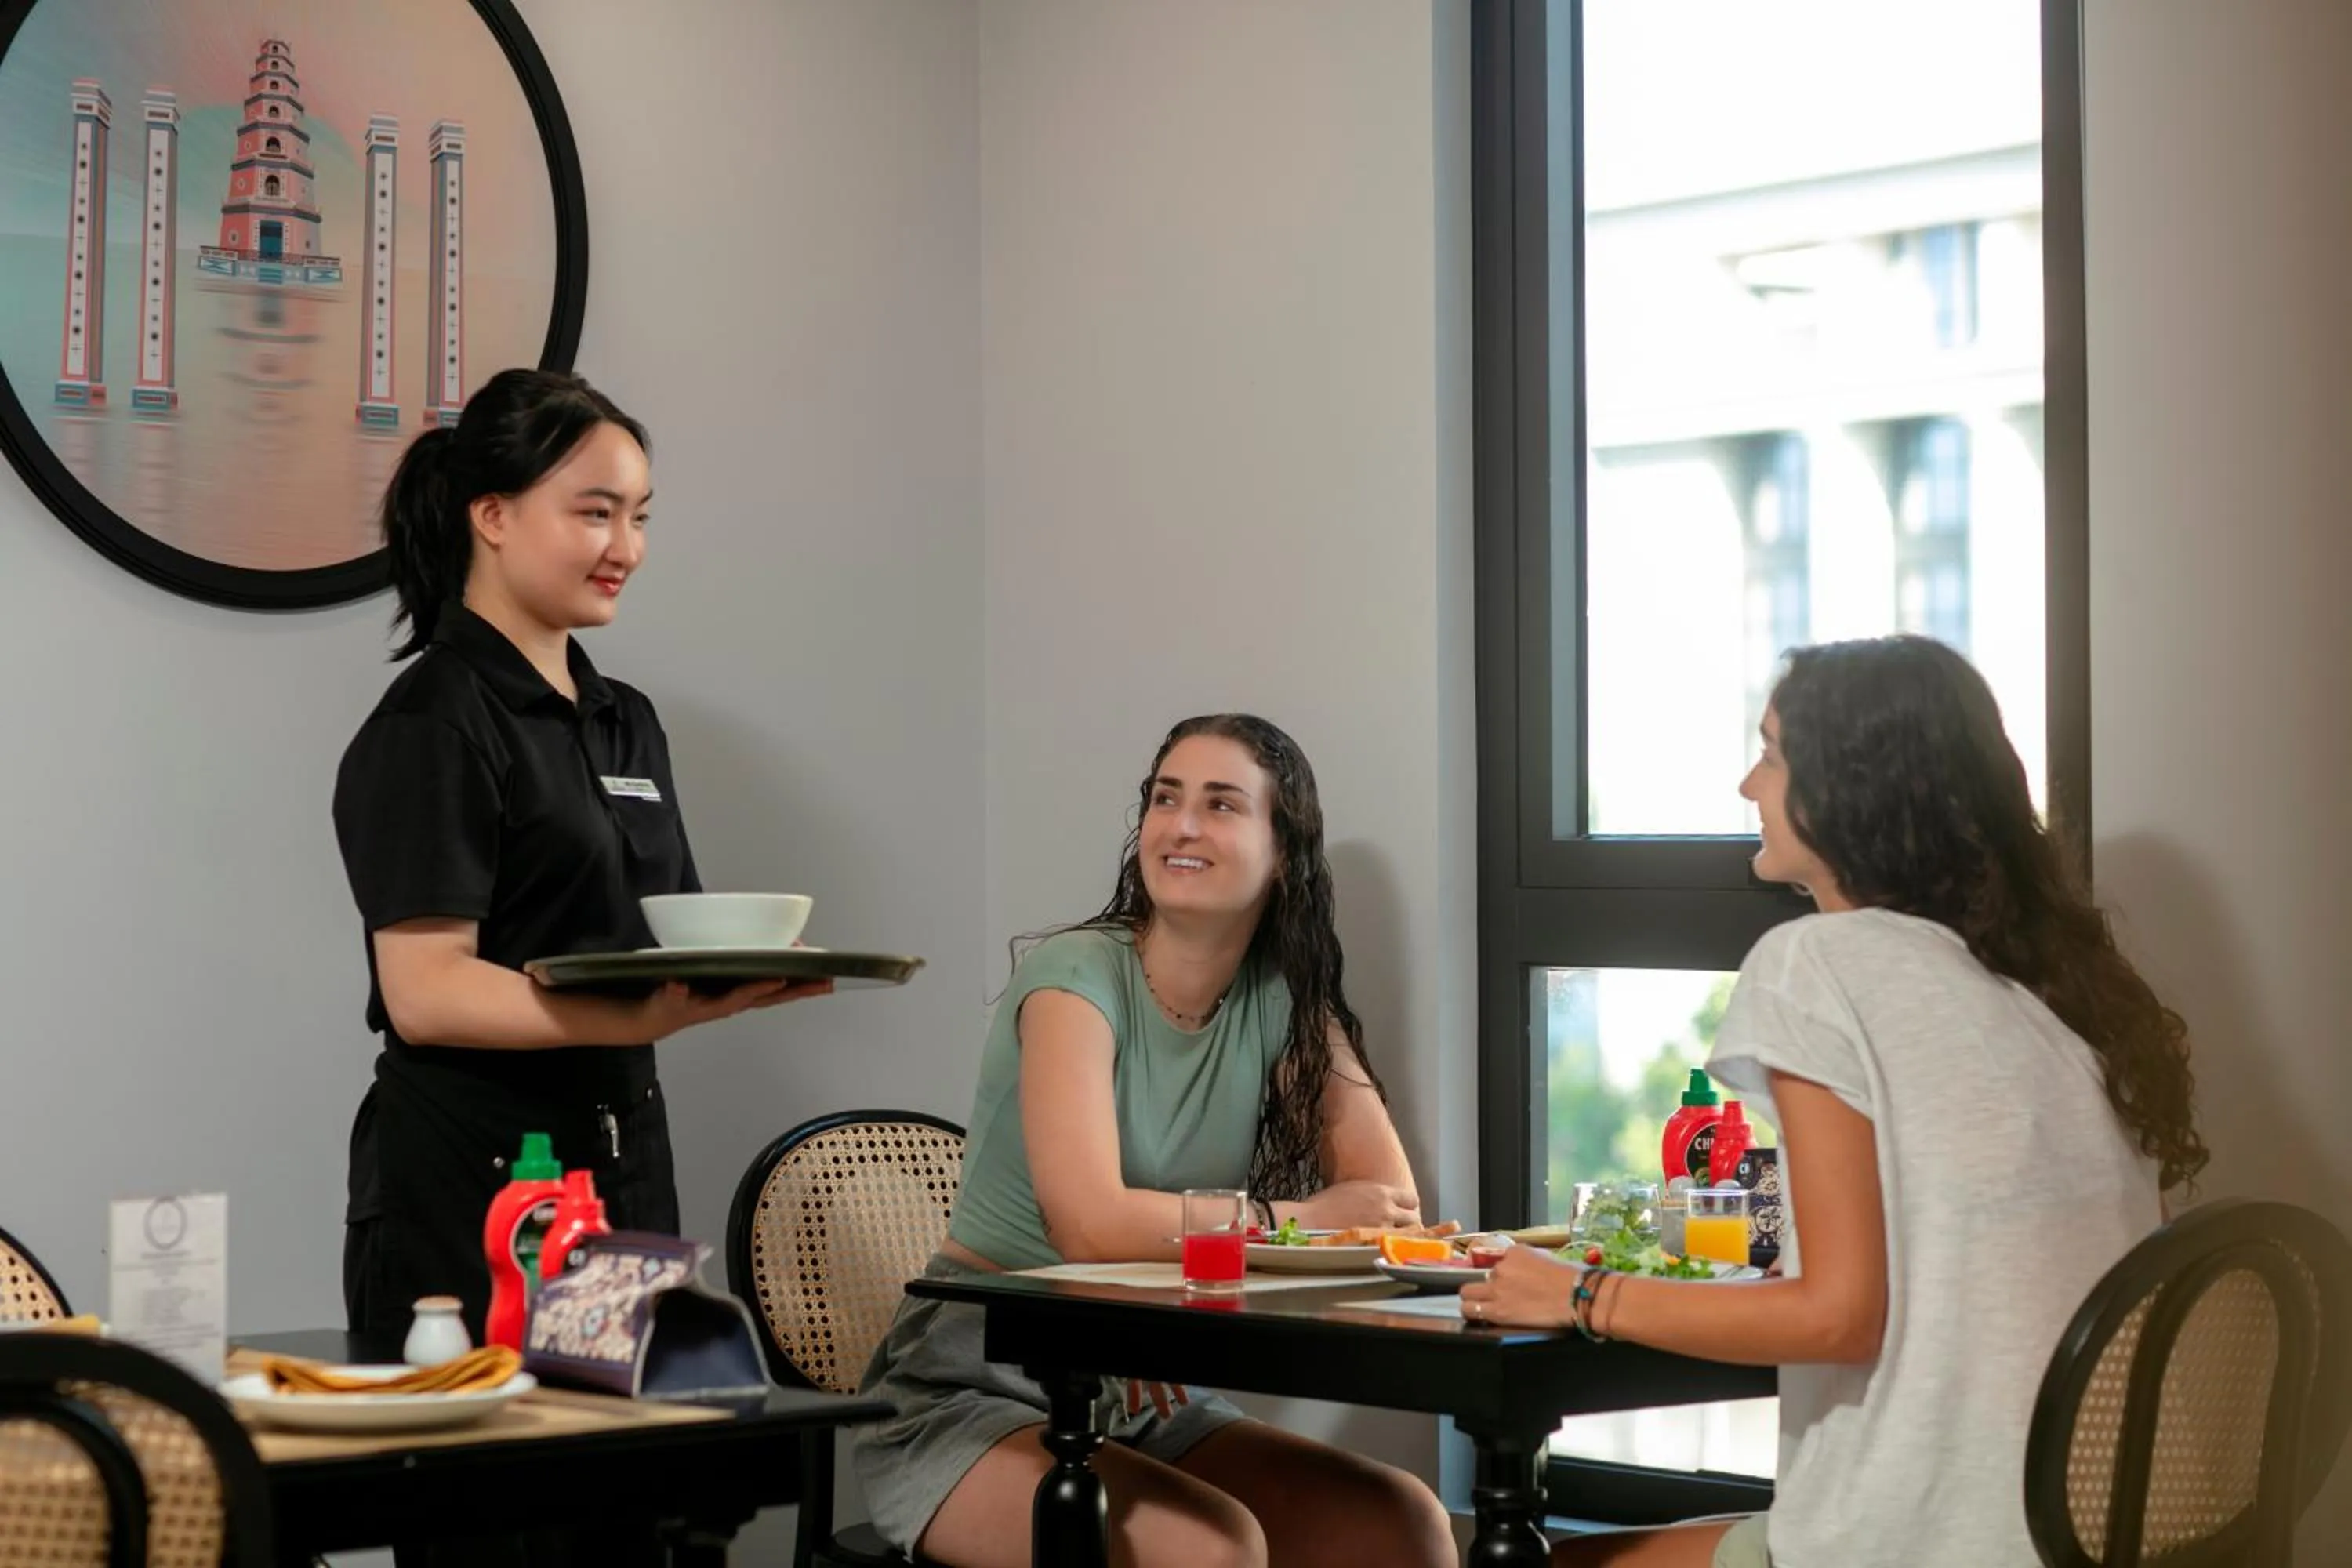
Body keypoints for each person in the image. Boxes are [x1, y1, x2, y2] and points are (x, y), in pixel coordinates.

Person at [1463, 636, 2208, 1568]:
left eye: (1772, 754)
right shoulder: (2054, 1002)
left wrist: (1580, 1293)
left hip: (1937, 1544)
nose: (1748, 784)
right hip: (2123, 1536)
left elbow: (1838, 1316)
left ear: (1853, 786)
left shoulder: (1817, 962)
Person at [852, 714, 1457, 1568]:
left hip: (1144, 1383)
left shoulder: (1280, 999)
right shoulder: (1073, 978)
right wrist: (1297, 1219)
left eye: (1221, 804)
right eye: (1165, 799)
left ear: (1284, 853)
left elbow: (1392, 1209)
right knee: (1214, 1548)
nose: (1181, 825)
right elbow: (1089, 1226)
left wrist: (1270, 1233)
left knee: (1402, 1523)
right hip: (975, 1379)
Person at [332, 368, 829, 1349]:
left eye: (639, 517)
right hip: (471, 1175)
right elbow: (426, 992)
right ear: (493, 515)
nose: (626, 549)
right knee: (502, 1448)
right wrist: (638, 1015)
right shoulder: (433, 722)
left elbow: (663, 932)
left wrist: (727, 979)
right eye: (595, 513)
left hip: (620, 1153)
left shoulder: (624, 719)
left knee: (631, 1441)